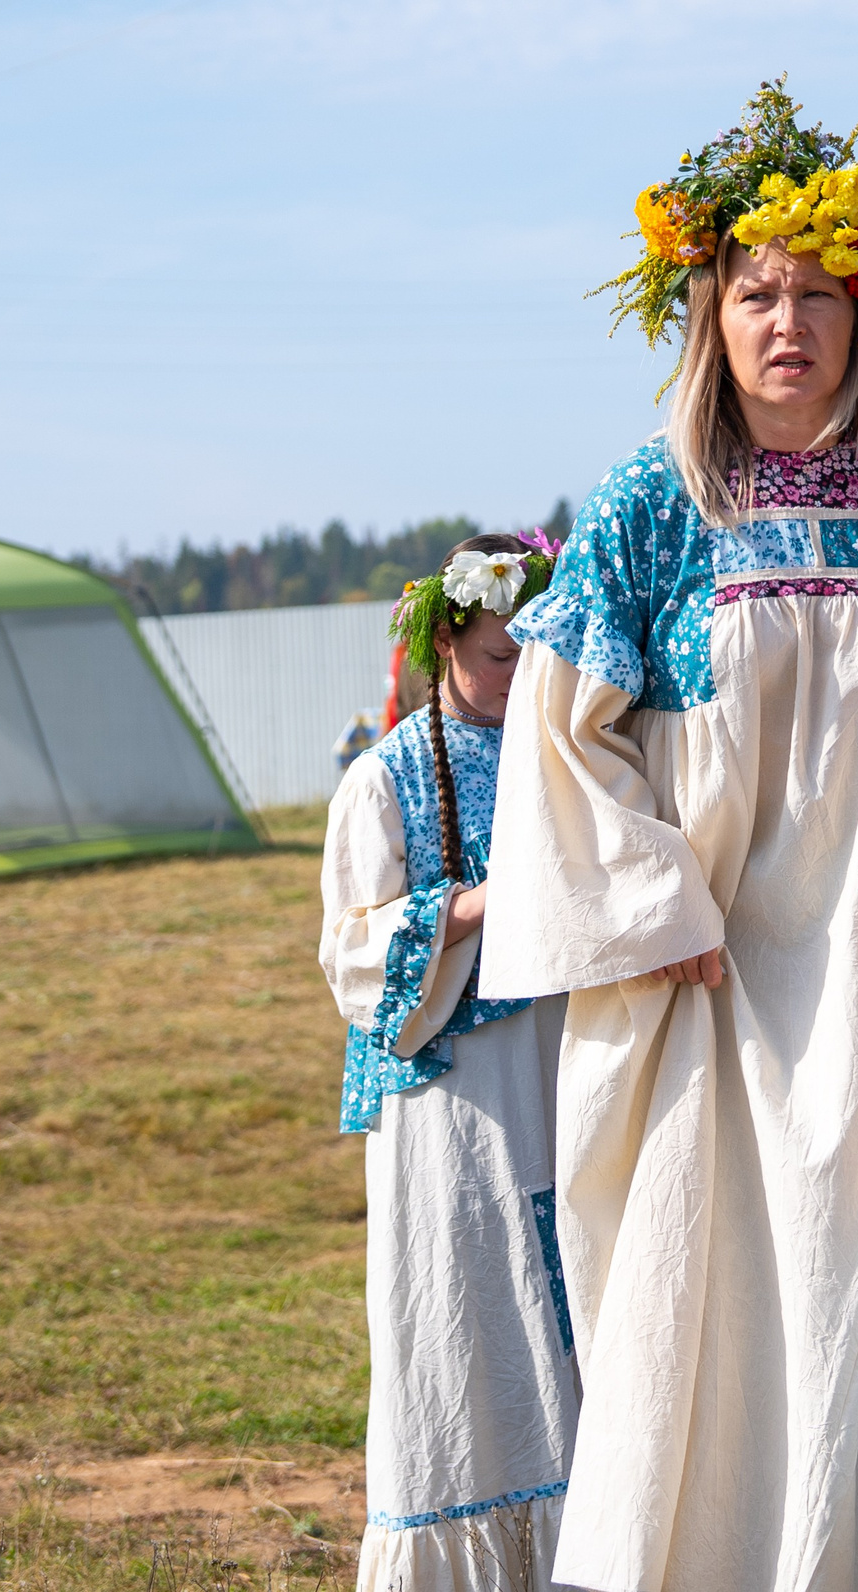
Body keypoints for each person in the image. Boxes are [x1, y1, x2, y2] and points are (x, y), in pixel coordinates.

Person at [479, 82, 858, 1592]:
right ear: (707, 318)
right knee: (695, 1291)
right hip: (707, 975)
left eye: (819, 296)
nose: (790, 324)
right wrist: (659, 909)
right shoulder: (659, 499)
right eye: (757, 295)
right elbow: (561, 737)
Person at [316, 535, 578, 1589]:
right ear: (442, 646)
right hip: (451, 1099)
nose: (518, 677)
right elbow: (353, 955)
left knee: (567, 1318)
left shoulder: (564, 755)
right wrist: (478, 900)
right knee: (463, 1320)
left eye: (533, 654)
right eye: (497, 657)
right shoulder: (381, 782)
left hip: (558, 1075)